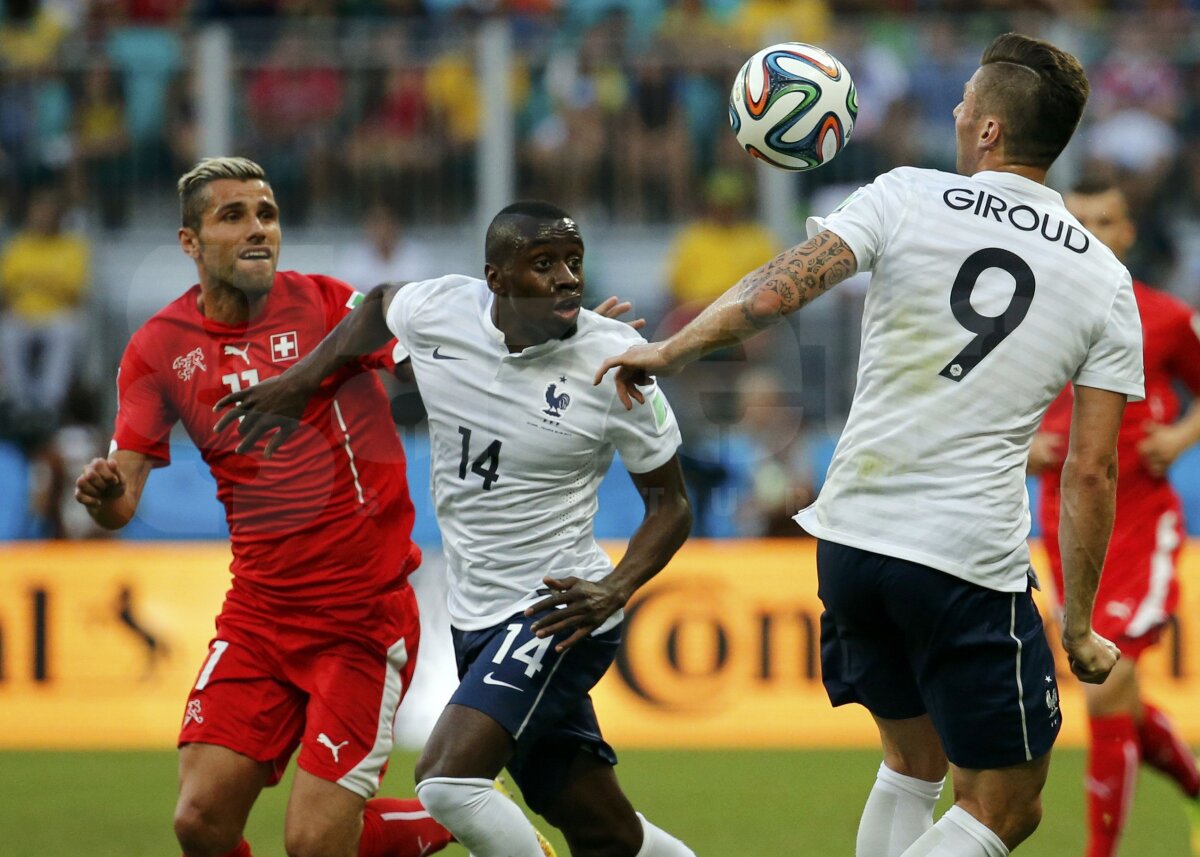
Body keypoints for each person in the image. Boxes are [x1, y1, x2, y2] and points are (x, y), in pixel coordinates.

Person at [596, 33, 1145, 857]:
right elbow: (1092, 470)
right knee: (1007, 804)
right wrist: (1078, 624)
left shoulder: (906, 194)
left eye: (966, 101)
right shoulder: (1104, 278)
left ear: (990, 129)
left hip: (851, 539)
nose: (954, 110)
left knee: (912, 762)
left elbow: (776, 292)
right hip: (964, 557)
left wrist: (672, 349)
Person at [213, 200, 698, 857]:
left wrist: (614, 589)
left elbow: (671, 505)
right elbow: (378, 304)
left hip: (559, 609)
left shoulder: (615, 363)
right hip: (474, 617)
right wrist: (303, 382)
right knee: (603, 831)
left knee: (447, 779)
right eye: (544, 263)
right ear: (496, 278)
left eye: (574, 262)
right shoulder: (442, 310)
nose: (566, 278)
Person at [72, 157, 455, 857]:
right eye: (234, 216)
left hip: (359, 618)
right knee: (199, 820)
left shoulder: (325, 304)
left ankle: (464, 820)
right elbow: (122, 500)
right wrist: (103, 496)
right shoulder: (159, 348)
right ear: (190, 243)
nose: (258, 229)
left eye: (267, 214)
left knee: (315, 844)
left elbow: (410, 336)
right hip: (260, 614)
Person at [1028, 178, 1200, 857]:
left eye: (1106, 221)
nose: (1092, 233)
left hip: (1139, 518)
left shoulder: (1165, 317)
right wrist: (1026, 447)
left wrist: (1180, 437)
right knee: (1114, 691)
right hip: (1064, 520)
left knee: (1105, 686)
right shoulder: (1028, 312)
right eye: (1080, 221)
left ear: (1127, 233)